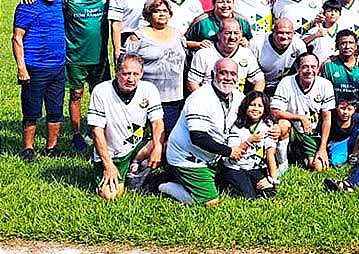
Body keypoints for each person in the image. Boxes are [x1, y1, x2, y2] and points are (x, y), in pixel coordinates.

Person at [19, 0, 114, 152]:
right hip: (74, 58)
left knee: (104, 96)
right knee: (76, 95)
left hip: (101, 58)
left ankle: (104, 133)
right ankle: (76, 134)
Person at [162, 58, 246, 206]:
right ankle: (164, 185)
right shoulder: (200, 97)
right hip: (188, 158)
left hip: (212, 157)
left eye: (232, 74)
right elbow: (198, 137)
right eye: (223, 73)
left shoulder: (238, 96)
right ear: (213, 74)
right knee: (210, 202)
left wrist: (273, 127)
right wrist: (229, 151)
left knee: (234, 188)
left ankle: (181, 177)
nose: (228, 78)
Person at [88, 54, 164, 200]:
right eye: (126, 74)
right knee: (110, 195)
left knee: (168, 146)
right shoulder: (101, 91)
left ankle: (137, 167)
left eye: (136, 74)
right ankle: (129, 174)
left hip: (137, 146)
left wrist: (158, 147)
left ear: (142, 73)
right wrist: (108, 165)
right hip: (112, 153)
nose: (131, 79)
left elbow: (157, 122)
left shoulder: (149, 89)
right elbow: (96, 131)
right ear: (117, 72)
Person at [13, 0, 67, 161]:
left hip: (58, 67)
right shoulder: (27, 6)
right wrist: (21, 68)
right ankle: (28, 148)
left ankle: (51, 147)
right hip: (34, 68)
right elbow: (17, 38)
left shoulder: (62, 2)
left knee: (55, 110)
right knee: (31, 110)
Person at [122, 0, 187, 135]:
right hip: (146, 96)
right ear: (149, 15)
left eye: (165, 11)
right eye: (157, 11)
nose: (162, 14)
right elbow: (124, 63)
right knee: (143, 135)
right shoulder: (138, 36)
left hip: (173, 96)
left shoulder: (177, 34)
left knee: (169, 135)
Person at [271, 52, 336, 172]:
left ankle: (300, 156)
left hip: (311, 133)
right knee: (283, 124)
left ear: (318, 68)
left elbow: (327, 119)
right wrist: (300, 117)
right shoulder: (287, 82)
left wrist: (322, 148)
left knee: (319, 167)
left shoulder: (325, 85)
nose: (309, 70)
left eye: (313, 67)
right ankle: (283, 162)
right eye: (305, 66)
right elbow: (275, 111)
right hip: (292, 129)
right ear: (298, 68)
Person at [219, 91, 288, 199]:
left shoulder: (268, 126)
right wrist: (249, 141)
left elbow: (270, 154)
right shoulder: (237, 126)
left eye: (260, 106)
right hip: (235, 166)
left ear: (265, 109)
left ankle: (250, 183)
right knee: (249, 196)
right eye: (252, 105)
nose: (256, 108)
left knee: (269, 193)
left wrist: (272, 180)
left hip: (254, 167)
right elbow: (233, 155)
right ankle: (226, 184)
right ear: (245, 106)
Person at [187, 17, 264, 93]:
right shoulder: (203, 54)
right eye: (228, 33)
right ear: (219, 35)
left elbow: (259, 80)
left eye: (236, 33)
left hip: (236, 102)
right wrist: (205, 101)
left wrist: (251, 100)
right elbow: (192, 83)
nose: (232, 37)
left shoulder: (247, 54)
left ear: (241, 35)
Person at [320, 29, 359, 123]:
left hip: (355, 110)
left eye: (351, 43)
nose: (347, 46)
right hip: (334, 110)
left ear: (355, 46)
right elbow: (322, 91)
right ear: (337, 46)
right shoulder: (329, 65)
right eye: (343, 43)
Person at [250, 17, 307, 95]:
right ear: (273, 32)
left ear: (294, 32)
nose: (284, 36)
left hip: (284, 86)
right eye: (280, 32)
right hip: (258, 84)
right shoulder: (256, 44)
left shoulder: (299, 46)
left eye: (288, 33)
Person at [185, 0, 253, 51]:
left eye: (228, 2)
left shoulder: (242, 21)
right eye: (221, 2)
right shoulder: (201, 22)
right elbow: (184, 42)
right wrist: (198, 44)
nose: (225, 5)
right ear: (214, 4)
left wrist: (246, 42)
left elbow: (250, 40)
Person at [327, 97, 359, 166]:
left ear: (354, 110)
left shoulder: (356, 118)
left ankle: (354, 155)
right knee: (336, 162)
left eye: (349, 109)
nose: (345, 112)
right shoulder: (331, 118)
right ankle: (343, 154)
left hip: (352, 138)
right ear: (336, 107)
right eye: (342, 108)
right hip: (338, 142)